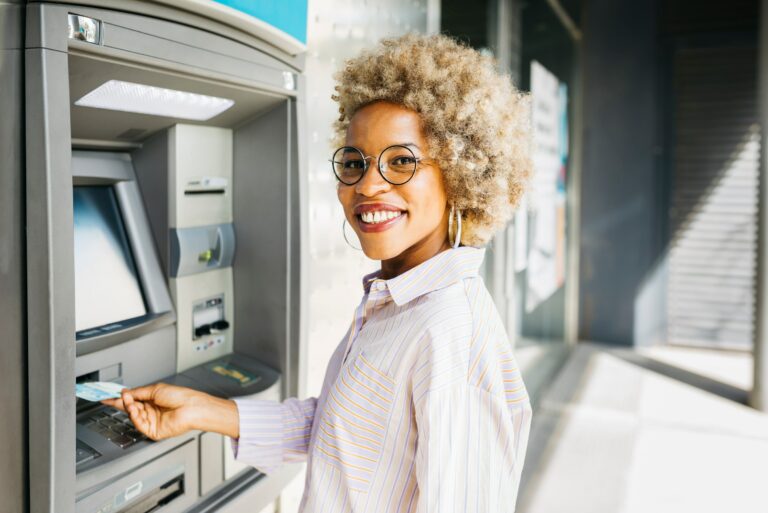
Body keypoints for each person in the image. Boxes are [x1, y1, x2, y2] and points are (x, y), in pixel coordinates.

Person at [104, 33, 534, 513]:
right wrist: (205, 410)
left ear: (459, 175)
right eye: (355, 162)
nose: (368, 184)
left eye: (400, 162)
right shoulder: (396, 303)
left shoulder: (453, 335)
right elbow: (351, 436)